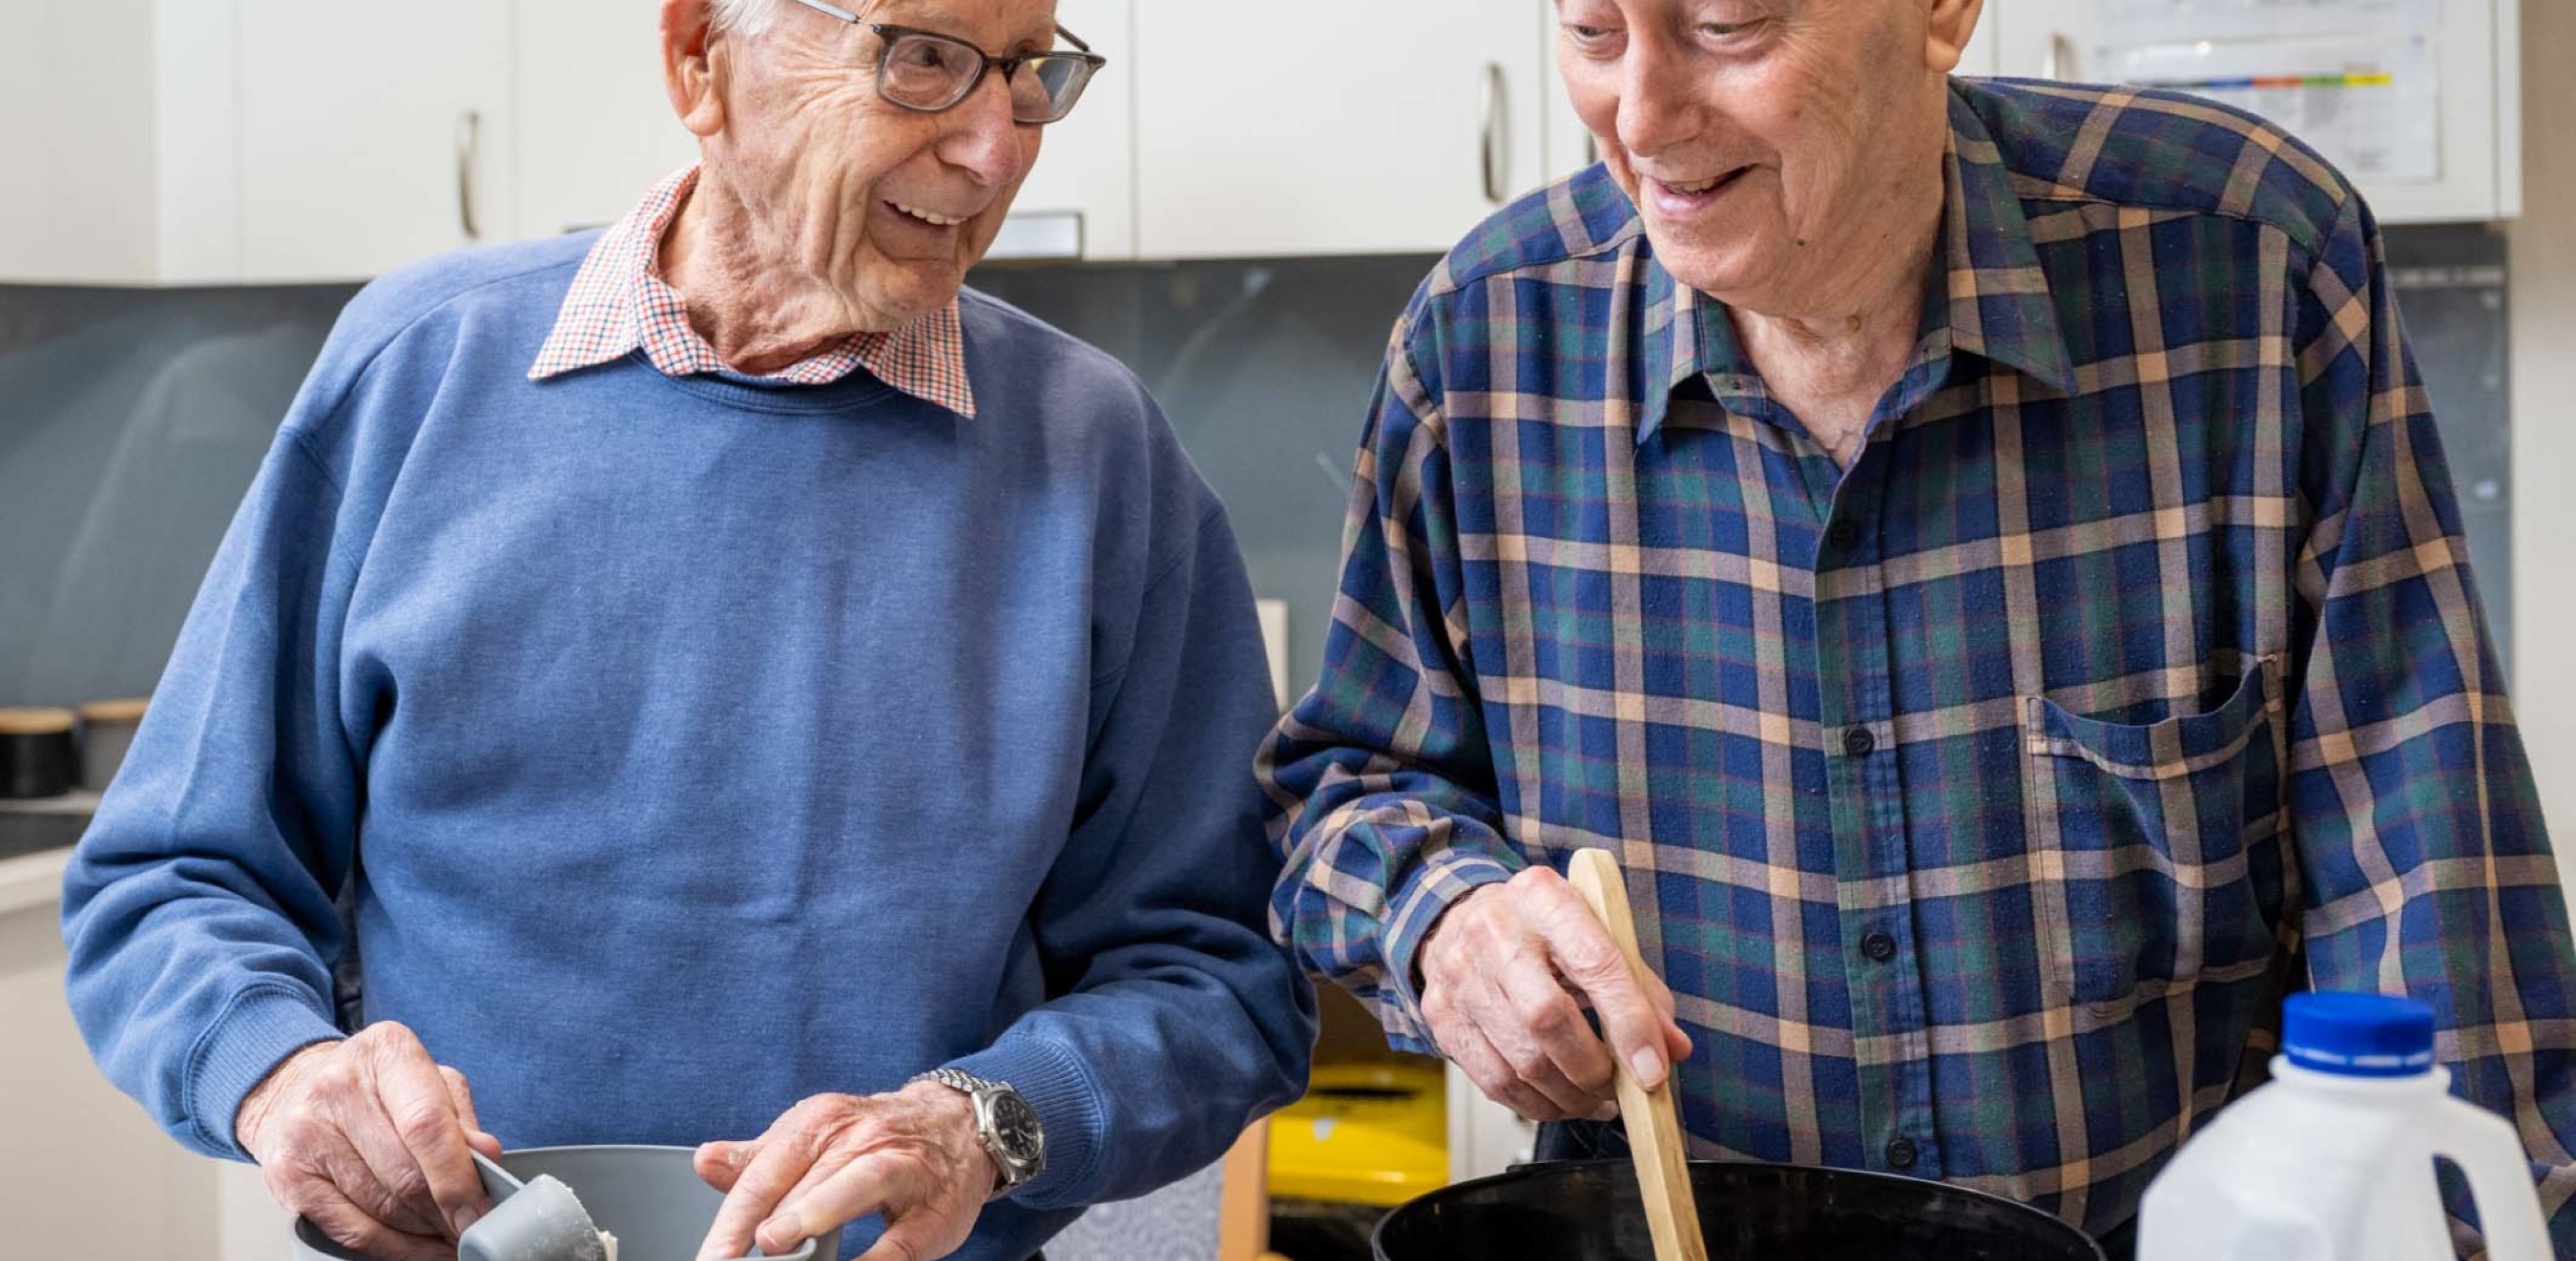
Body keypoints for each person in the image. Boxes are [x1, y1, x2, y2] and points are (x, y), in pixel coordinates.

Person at [1258, 0, 2576, 1252]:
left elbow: (2430, 895)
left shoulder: (2251, 269)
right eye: (1594, 31)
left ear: (1944, 11)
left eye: (1726, 27)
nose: (1643, 120)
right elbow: (1343, 791)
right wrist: (1445, 915)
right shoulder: (1483, 346)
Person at [61, 2, 1313, 1259]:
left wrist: (985, 1121)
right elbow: (174, 875)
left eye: (1028, 71)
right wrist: (277, 1071)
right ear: (700, 61)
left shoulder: (1099, 454)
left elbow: (1223, 979)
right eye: (922, 60)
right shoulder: (416, 370)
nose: (995, 148)